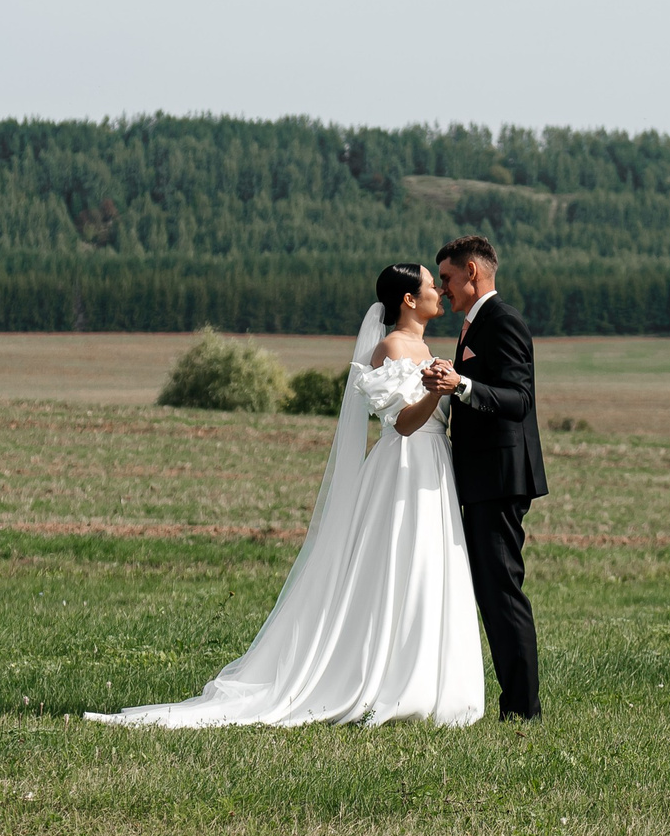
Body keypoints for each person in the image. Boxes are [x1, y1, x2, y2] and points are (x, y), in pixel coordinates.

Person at [87, 263, 485, 728]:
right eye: (430, 283)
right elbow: (402, 423)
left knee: (428, 568)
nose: (439, 289)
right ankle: (389, 683)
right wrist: (438, 392)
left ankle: (426, 680)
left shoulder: (424, 348)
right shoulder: (392, 348)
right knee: (402, 566)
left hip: (432, 466)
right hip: (403, 467)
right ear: (409, 300)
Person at [422, 234, 547, 721]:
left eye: (449, 279)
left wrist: (463, 385)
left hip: (499, 478)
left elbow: (519, 399)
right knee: (491, 593)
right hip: (482, 477)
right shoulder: (475, 325)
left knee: (501, 592)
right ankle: (515, 704)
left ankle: (523, 710)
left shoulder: (503, 321)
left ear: (472, 272)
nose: (446, 290)